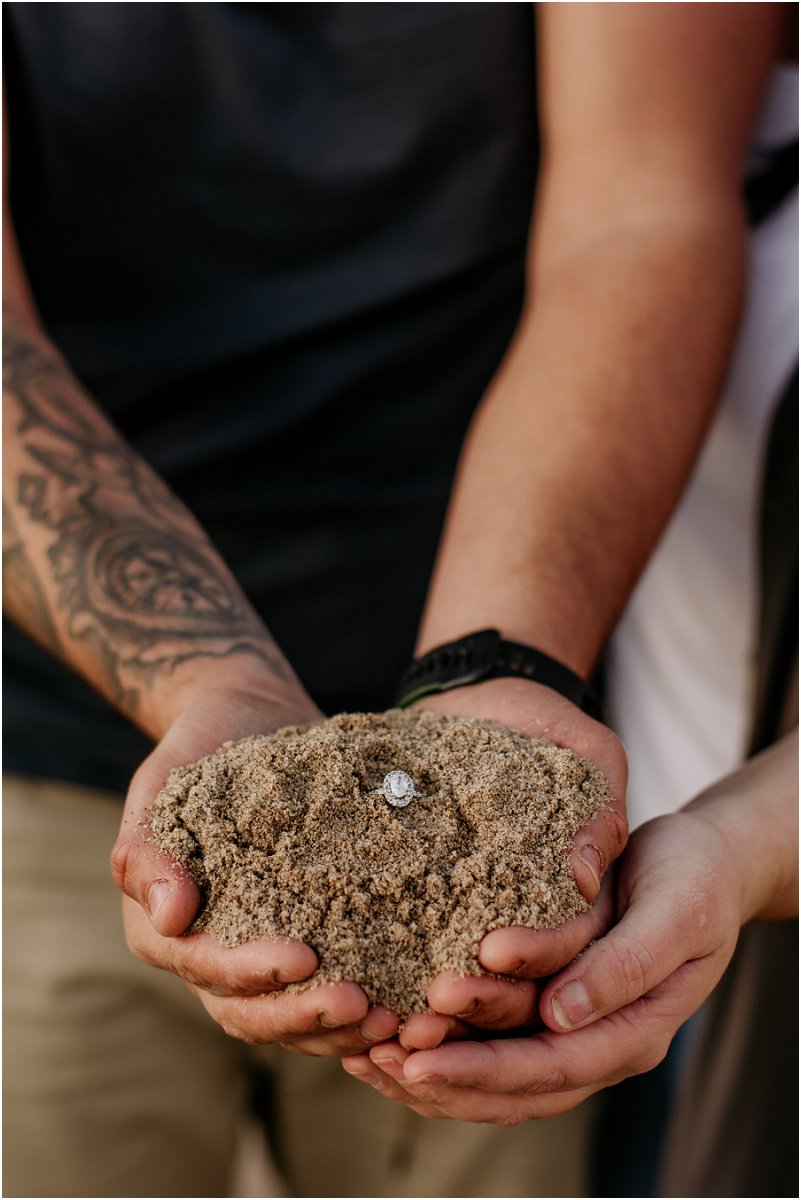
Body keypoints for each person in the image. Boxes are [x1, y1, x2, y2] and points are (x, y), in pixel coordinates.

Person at [2, 4, 791, 1197]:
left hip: (532, 699)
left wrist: (496, 660)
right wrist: (214, 680)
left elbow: (638, 211)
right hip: (43, 743)